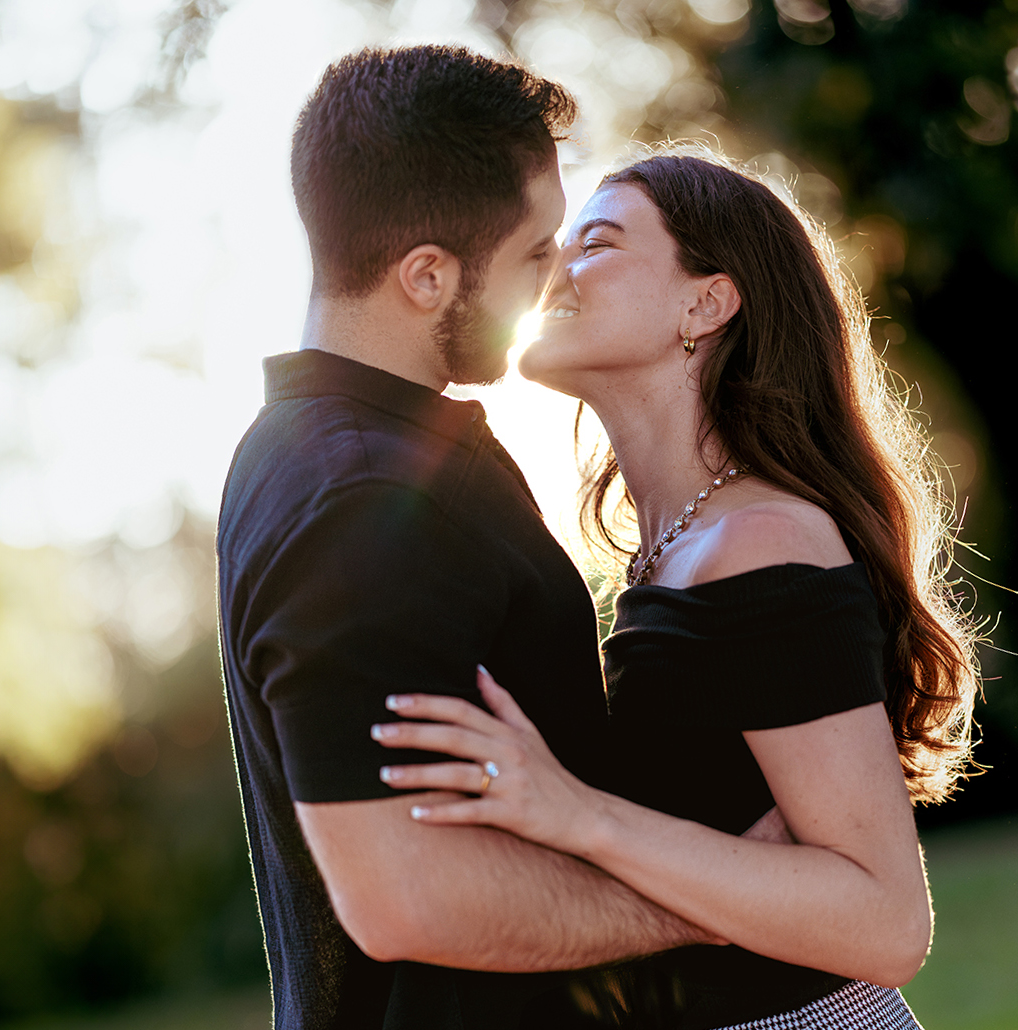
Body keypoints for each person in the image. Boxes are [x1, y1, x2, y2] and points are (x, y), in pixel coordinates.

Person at [373, 149, 981, 1029]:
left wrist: (578, 814)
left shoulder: (759, 540)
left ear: (705, 302)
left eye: (598, 243)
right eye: (555, 247)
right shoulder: (675, 551)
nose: (555, 271)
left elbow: (886, 923)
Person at [217, 51, 754, 1030]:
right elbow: (402, 897)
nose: (553, 284)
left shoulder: (362, 451)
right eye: (536, 253)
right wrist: (713, 902)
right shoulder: (356, 498)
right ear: (427, 275)